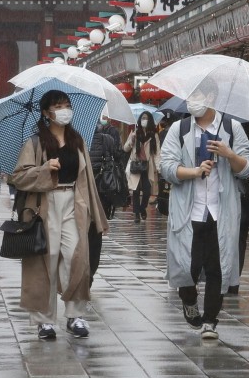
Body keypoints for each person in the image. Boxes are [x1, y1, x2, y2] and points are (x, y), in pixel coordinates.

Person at [11, 90, 109, 340]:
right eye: (58, 106)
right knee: (47, 258)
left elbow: (87, 180)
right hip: (45, 205)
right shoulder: (35, 142)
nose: (64, 110)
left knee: (76, 257)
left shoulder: (78, 141)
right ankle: (44, 321)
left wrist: (97, 215)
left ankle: (75, 316)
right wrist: (45, 169)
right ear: (46, 112)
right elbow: (19, 177)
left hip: (74, 204)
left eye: (67, 105)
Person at [159, 93, 249, 340]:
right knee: (186, 265)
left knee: (218, 267)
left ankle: (210, 321)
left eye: (198, 95)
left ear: (211, 97)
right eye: (190, 96)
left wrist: (228, 154)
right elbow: (166, 167)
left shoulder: (232, 128)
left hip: (221, 212)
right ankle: (188, 299)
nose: (193, 101)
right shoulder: (179, 129)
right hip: (189, 211)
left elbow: (248, 167)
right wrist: (194, 171)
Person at [228, 121, 249, 295]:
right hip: (222, 195)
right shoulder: (214, 127)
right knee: (235, 240)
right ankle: (228, 281)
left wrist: (235, 159)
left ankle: (232, 282)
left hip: (240, 195)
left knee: (238, 239)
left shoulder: (245, 130)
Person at [124, 111, 160, 224]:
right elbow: (125, 148)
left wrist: (159, 168)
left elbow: (157, 153)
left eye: (146, 118)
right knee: (135, 190)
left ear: (149, 121)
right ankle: (136, 214)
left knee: (146, 191)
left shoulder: (154, 136)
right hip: (135, 164)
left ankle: (142, 208)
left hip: (147, 166)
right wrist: (132, 140)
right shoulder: (135, 133)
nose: (144, 120)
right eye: (142, 118)